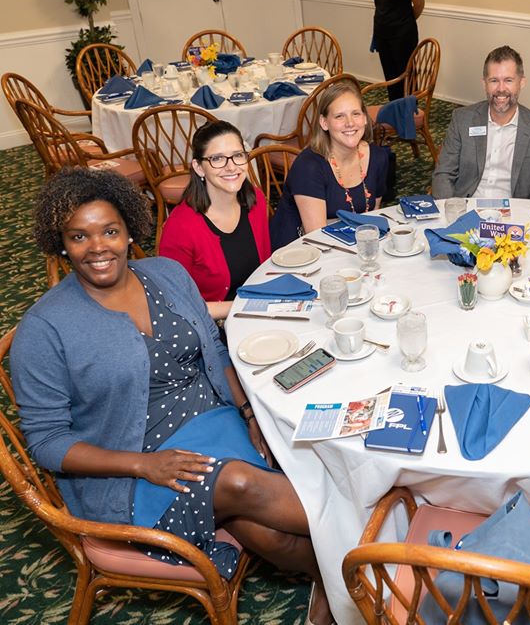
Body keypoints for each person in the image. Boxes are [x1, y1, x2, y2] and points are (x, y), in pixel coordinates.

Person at [13, 168, 331, 625]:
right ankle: (369, 549)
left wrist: (247, 411)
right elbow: (46, 442)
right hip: (131, 463)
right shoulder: (45, 328)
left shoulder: (166, 273)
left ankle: (337, 582)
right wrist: (143, 465)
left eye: (109, 231)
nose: (98, 247)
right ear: (61, 244)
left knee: (265, 532)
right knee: (239, 484)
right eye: (79, 236)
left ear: (129, 232)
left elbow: (215, 348)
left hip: (216, 420)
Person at [159, 121, 271, 321]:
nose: (231, 167)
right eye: (217, 158)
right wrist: (245, 307)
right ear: (199, 168)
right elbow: (176, 304)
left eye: (237, 155)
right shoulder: (180, 227)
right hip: (213, 324)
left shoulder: (255, 200)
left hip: (259, 308)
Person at [271, 78, 389, 249]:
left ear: (364, 118)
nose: (349, 123)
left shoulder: (377, 157)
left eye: (355, 113)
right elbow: (317, 236)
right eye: (339, 116)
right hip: (300, 254)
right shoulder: (309, 166)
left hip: (351, 245)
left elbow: (372, 219)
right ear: (324, 123)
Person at [431, 45, 530, 200]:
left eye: (508, 80)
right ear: (484, 83)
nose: (501, 89)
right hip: (465, 208)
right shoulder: (462, 119)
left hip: (514, 214)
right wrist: (450, 211)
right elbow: (444, 173)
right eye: (494, 80)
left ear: (521, 82)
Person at [372, 0, 425, 101]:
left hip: (403, 34)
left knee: (406, 74)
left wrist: (404, 22)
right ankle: (394, 106)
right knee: (390, 75)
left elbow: (419, 4)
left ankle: (409, 109)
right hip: (382, 33)